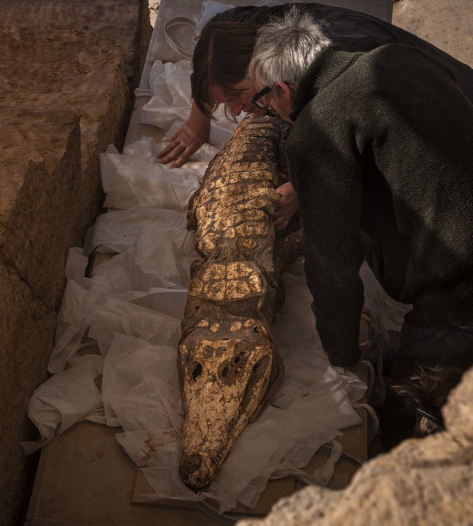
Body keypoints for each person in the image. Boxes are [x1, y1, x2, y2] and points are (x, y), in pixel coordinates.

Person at [248, 7, 473, 445]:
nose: (269, 111)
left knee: (411, 429)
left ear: (282, 89)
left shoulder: (316, 128)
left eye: (265, 101)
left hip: (459, 301)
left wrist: (343, 351)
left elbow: (332, 262)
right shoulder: (395, 58)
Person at [157, 3, 473, 231]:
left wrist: (301, 187)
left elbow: (372, 142)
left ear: (266, 77)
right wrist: (198, 120)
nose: (237, 112)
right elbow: (210, 44)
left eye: (238, 97)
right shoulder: (241, 32)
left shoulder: (339, 71)